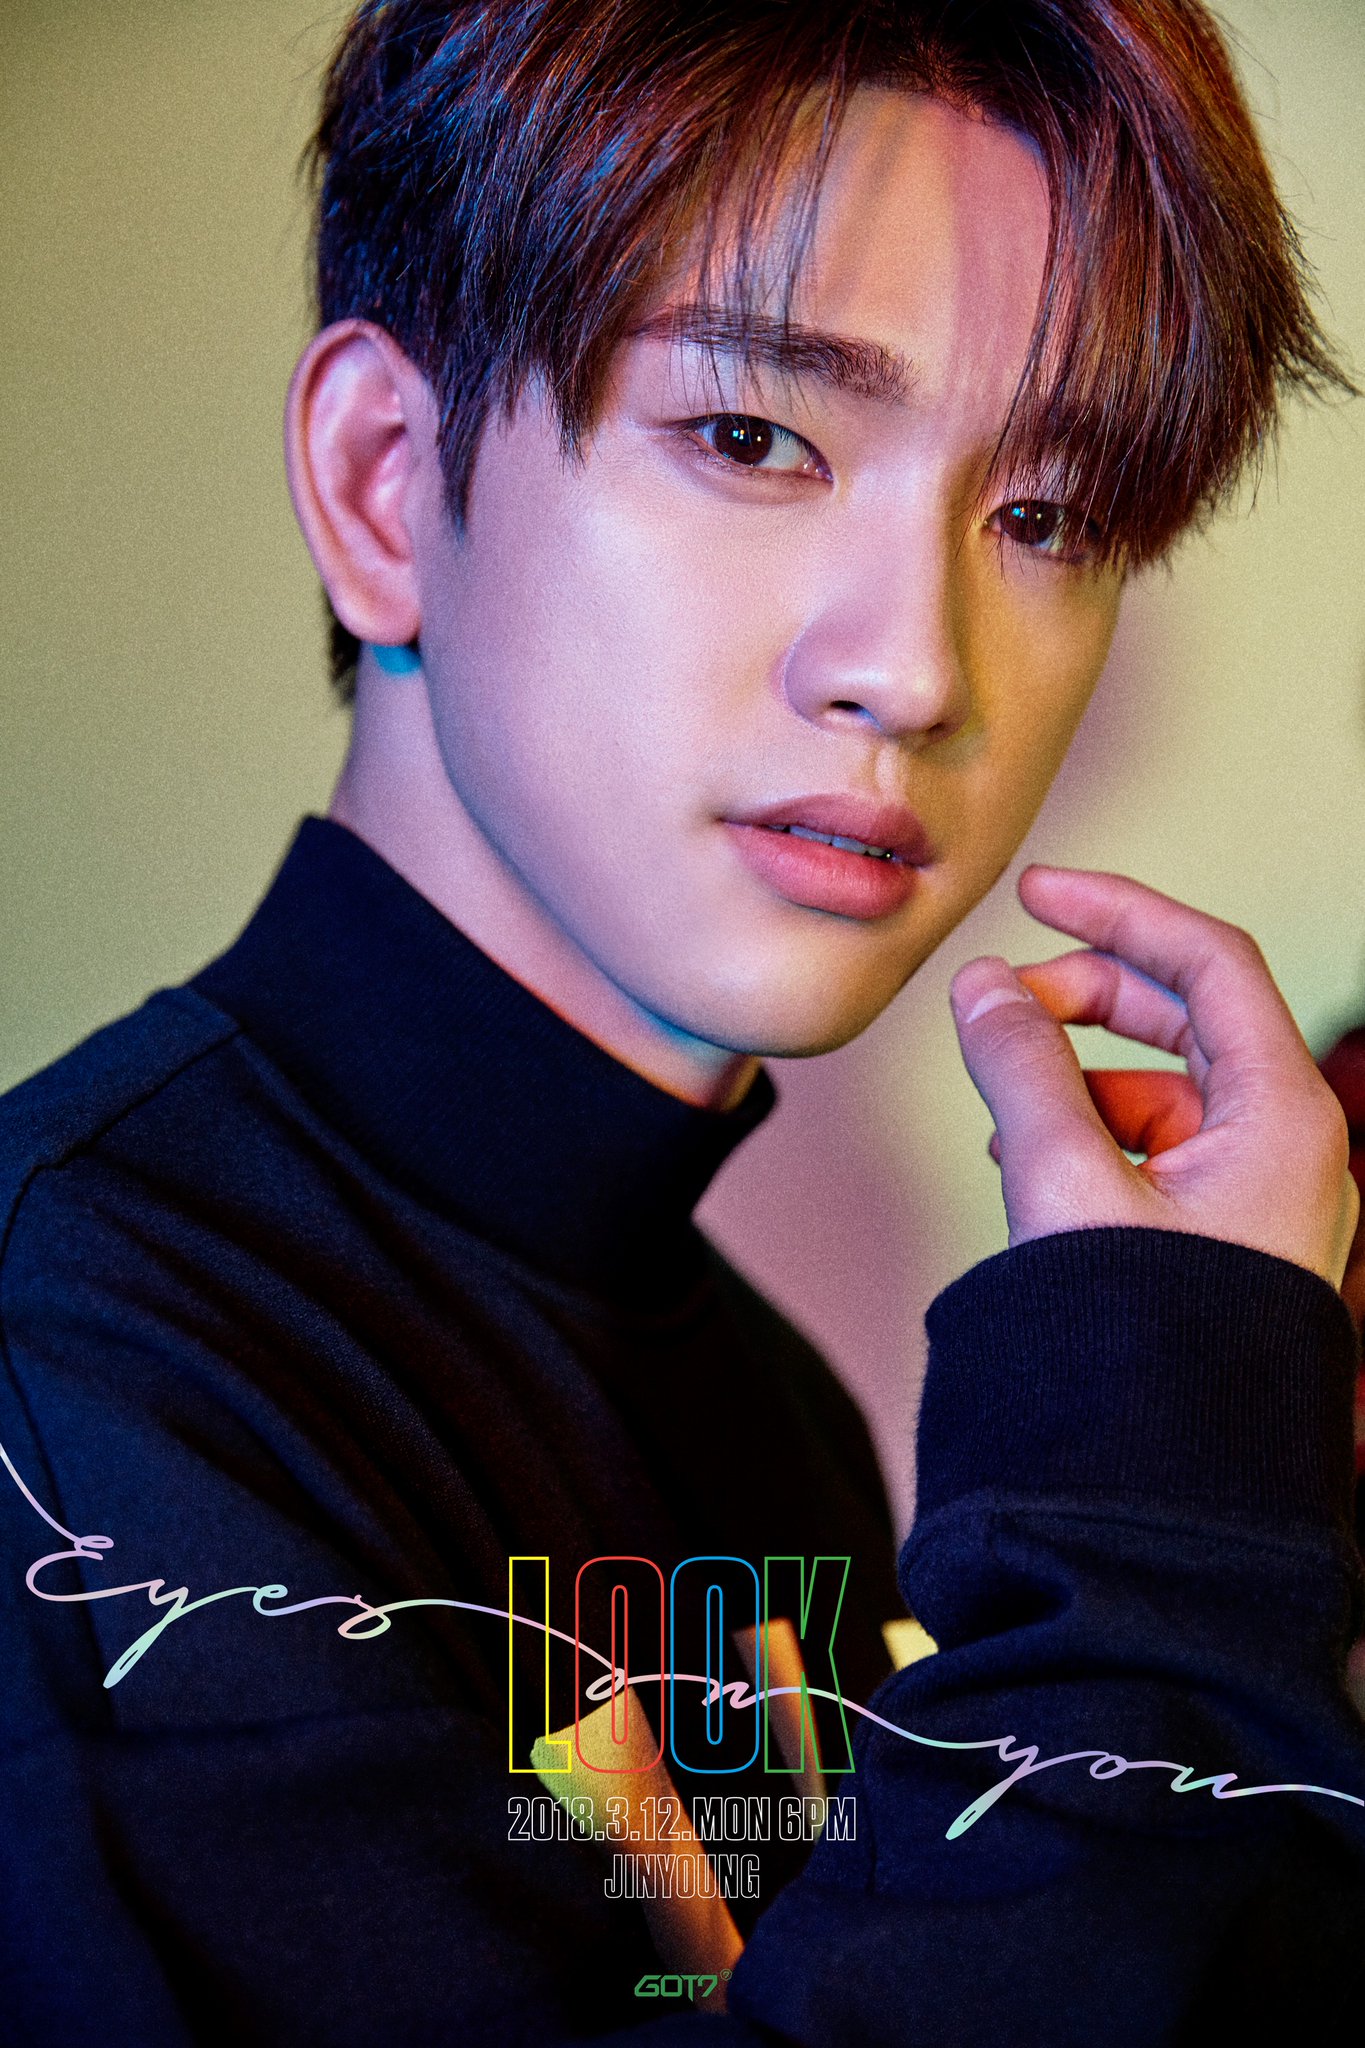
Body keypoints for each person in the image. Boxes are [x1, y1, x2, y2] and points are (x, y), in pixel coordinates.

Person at [1, 2, 1362, 2042]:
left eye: (1047, 514)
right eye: (749, 438)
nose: (913, 669)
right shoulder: (72, 1380)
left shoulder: (762, 1405)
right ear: (383, 482)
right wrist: (1153, 1499)